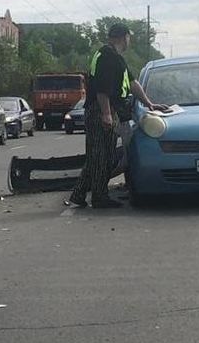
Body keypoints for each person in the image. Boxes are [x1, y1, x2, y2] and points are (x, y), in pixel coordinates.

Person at [67, 23, 166, 209]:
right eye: (129, 37)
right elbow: (103, 89)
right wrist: (106, 114)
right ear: (123, 37)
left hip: (108, 110)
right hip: (101, 111)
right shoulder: (108, 57)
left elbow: (132, 82)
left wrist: (149, 103)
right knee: (102, 156)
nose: (129, 41)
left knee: (101, 156)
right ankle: (98, 197)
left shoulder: (115, 58)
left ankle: (79, 194)